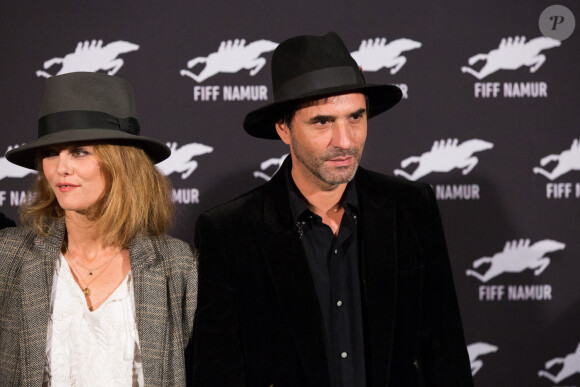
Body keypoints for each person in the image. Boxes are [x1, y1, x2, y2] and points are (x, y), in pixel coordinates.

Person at [192, 32, 472, 386]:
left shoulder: (411, 207)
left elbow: (444, 352)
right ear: (284, 127)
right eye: (323, 121)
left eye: (356, 117)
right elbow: (220, 374)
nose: (345, 140)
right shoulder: (230, 231)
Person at [0, 72, 197, 386]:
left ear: (122, 162)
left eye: (79, 152)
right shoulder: (9, 255)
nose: (61, 167)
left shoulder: (176, 263)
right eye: (51, 153)